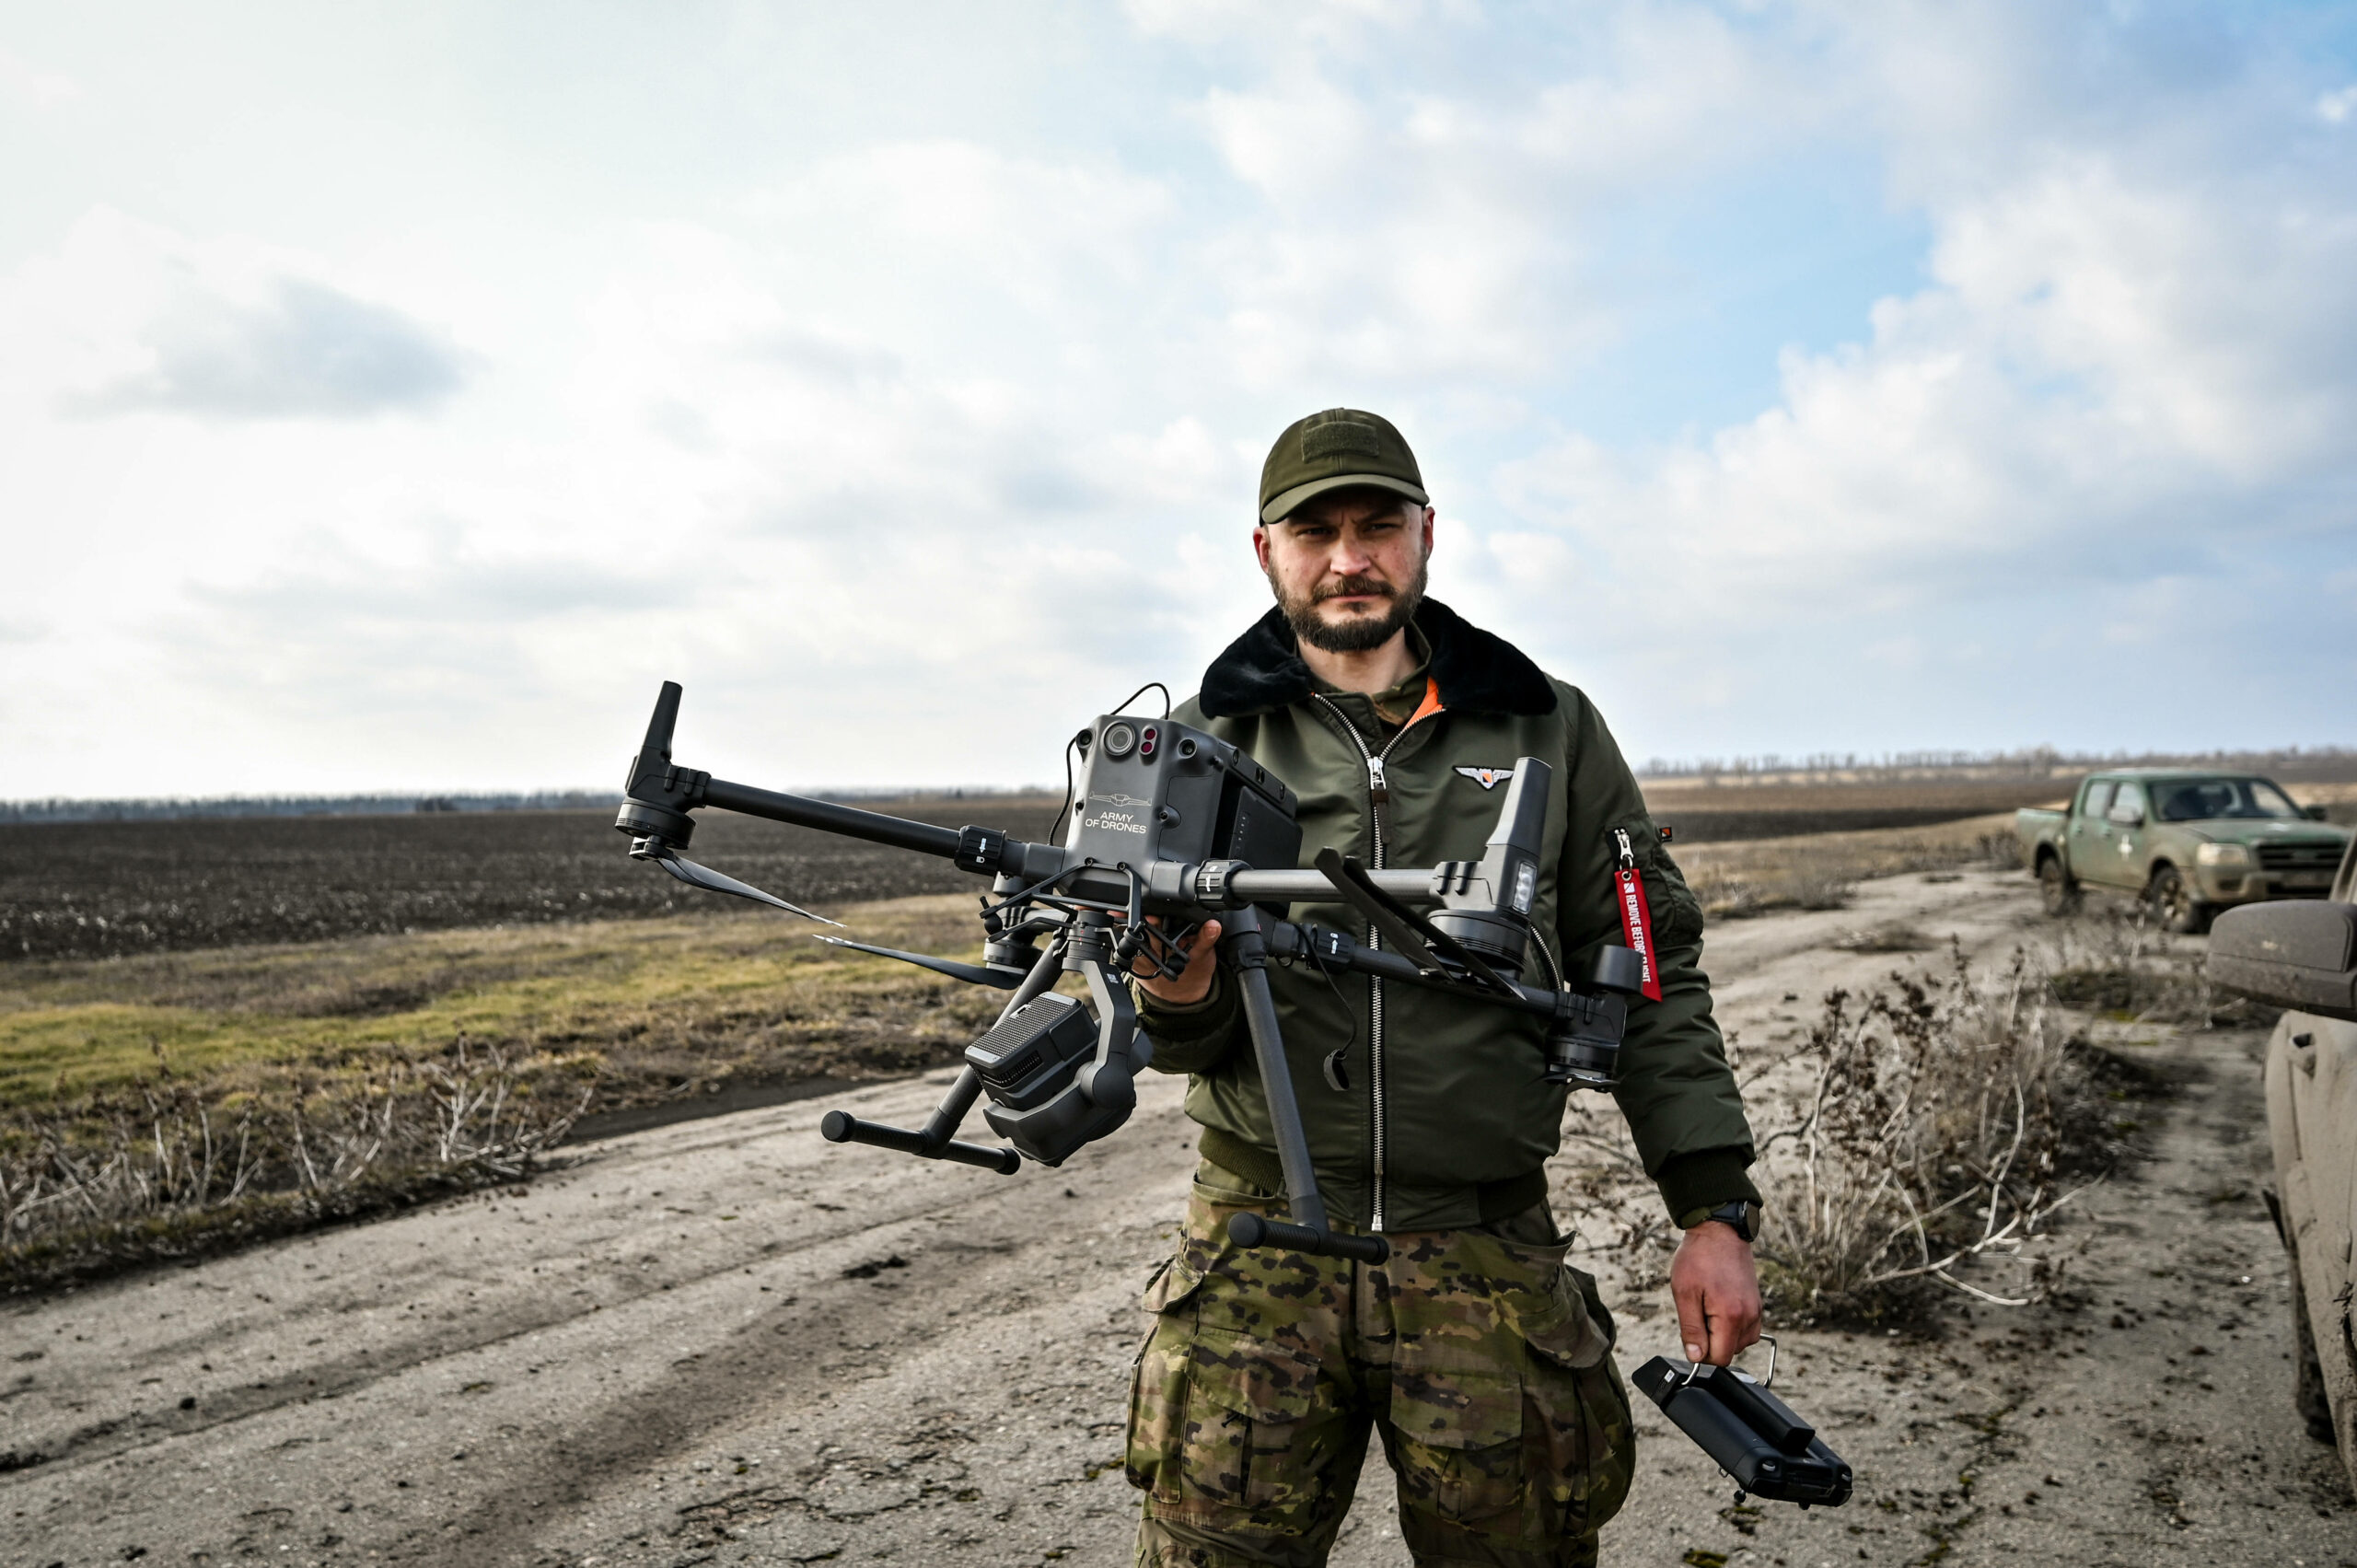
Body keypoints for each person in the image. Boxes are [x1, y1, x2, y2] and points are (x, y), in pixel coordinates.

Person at [1121, 408, 1762, 1568]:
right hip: (1255, 1247)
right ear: (1264, 550)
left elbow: (1650, 969)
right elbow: (1172, 1032)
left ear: (1427, 534)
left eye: (1377, 526)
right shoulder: (1195, 742)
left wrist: (1711, 1210)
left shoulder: (1548, 725)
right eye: (1313, 532)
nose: (1348, 558)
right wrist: (1176, 991)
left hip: (1484, 1252)